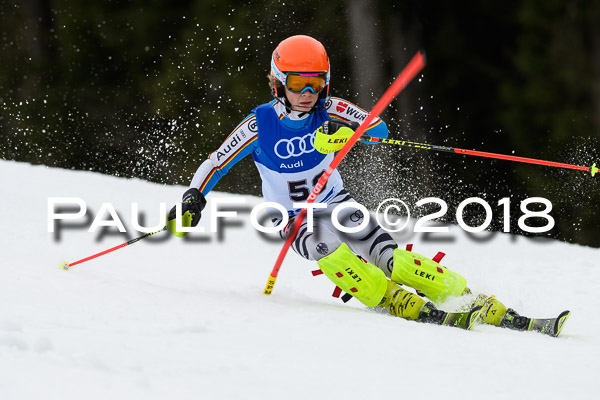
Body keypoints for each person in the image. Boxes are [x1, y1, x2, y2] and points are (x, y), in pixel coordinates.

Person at [166, 35, 564, 333]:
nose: (307, 94)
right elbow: (215, 162)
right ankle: (388, 298)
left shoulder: (330, 108)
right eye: (296, 83)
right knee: (329, 250)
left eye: (315, 82)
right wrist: (192, 198)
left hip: (336, 199)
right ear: (277, 83)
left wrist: (343, 137)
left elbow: (378, 129)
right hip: (291, 215)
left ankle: (464, 295)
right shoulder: (260, 124)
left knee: (389, 254)